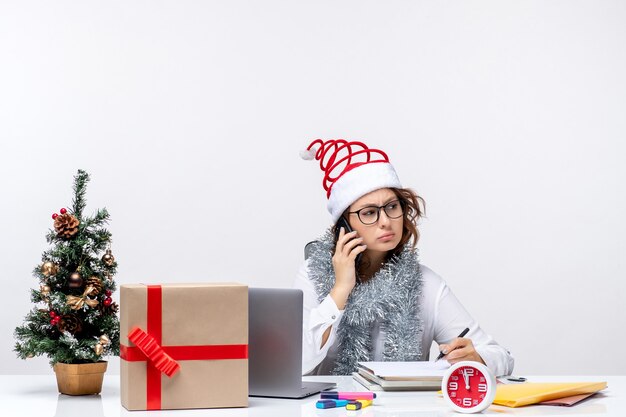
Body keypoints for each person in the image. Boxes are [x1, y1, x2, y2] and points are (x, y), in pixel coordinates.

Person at [294, 139, 514, 377]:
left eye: (392, 207)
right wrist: (340, 290)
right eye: (369, 212)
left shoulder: (426, 284)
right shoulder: (312, 275)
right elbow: (295, 365)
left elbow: (501, 356)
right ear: (344, 227)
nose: (385, 221)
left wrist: (477, 358)